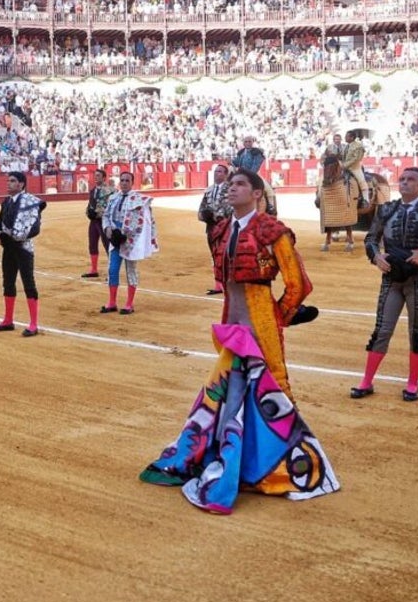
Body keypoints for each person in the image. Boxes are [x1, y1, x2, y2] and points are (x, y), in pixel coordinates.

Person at [139, 170, 337, 514]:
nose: (232, 189)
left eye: (240, 185)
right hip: (232, 318)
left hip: (260, 317)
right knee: (231, 389)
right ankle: (238, 459)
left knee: (274, 387)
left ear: (257, 194)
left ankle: (290, 464)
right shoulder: (222, 229)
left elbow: (299, 285)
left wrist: (279, 318)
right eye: (230, 185)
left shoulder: (273, 231)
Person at [352, 167, 418, 402]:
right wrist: (376, 256)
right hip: (391, 278)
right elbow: (372, 238)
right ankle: (366, 381)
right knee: (382, 329)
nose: (405, 183)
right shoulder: (387, 209)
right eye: (402, 179)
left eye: (411, 180)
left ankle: (412, 383)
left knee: (417, 331)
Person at [0, 171, 46, 337]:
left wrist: (17, 237)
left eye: (13, 181)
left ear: (22, 184)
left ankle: (34, 324)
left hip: (23, 249)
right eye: (8, 181)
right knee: (8, 283)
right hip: (8, 248)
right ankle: (8, 320)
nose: (9, 184)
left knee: (28, 284)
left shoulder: (30, 202)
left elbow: (35, 228)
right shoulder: (6, 202)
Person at [100, 171, 157, 314]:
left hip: (131, 240)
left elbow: (143, 222)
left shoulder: (138, 200)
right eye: (122, 180)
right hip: (115, 238)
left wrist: (126, 234)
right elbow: (106, 215)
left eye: (127, 180)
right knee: (112, 270)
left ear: (132, 183)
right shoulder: (113, 198)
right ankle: (112, 302)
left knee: (130, 271)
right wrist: (107, 229)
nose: (124, 183)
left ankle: (129, 304)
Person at [197, 164, 230, 294]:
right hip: (211, 227)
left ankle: (229, 283)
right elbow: (201, 208)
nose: (217, 174)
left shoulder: (231, 189)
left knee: (227, 255)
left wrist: (218, 217)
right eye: (216, 171)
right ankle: (218, 285)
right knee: (214, 255)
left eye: (220, 172)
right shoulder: (209, 190)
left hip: (226, 227)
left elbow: (233, 208)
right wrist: (203, 216)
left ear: (226, 175)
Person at [82, 168, 114, 277]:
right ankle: (94, 269)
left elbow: (111, 207)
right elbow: (89, 205)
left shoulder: (110, 191)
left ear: (104, 178)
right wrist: (88, 213)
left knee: (108, 245)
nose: (96, 178)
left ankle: (112, 271)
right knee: (92, 244)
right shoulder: (93, 190)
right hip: (94, 221)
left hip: (104, 221)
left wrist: (98, 213)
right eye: (95, 176)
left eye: (98, 176)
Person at [341, 129, 370, 207]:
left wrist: (345, 165)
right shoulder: (346, 146)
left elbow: (356, 158)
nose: (345, 138)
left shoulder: (358, 146)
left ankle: (366, 200)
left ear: (352, 137)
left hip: (355, 168)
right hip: (345, 167)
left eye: (346, 136)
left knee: (362, 181)